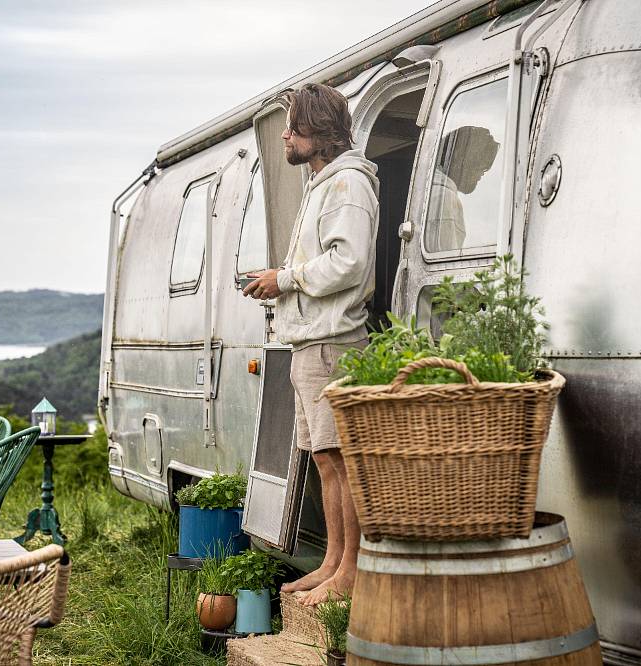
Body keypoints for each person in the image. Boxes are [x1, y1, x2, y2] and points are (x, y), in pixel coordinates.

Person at [242, 83, 379, 606]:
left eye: (294, 126)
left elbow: (349, 263)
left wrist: (288, 279)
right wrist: (279, 279)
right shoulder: (324, 183)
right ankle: (333, 563)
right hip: (311, 344)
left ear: (317, 132)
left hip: (333, 344)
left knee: (342, 457)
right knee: (325, 457)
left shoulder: (348, 186)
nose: (285, 135)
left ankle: (351, 571)